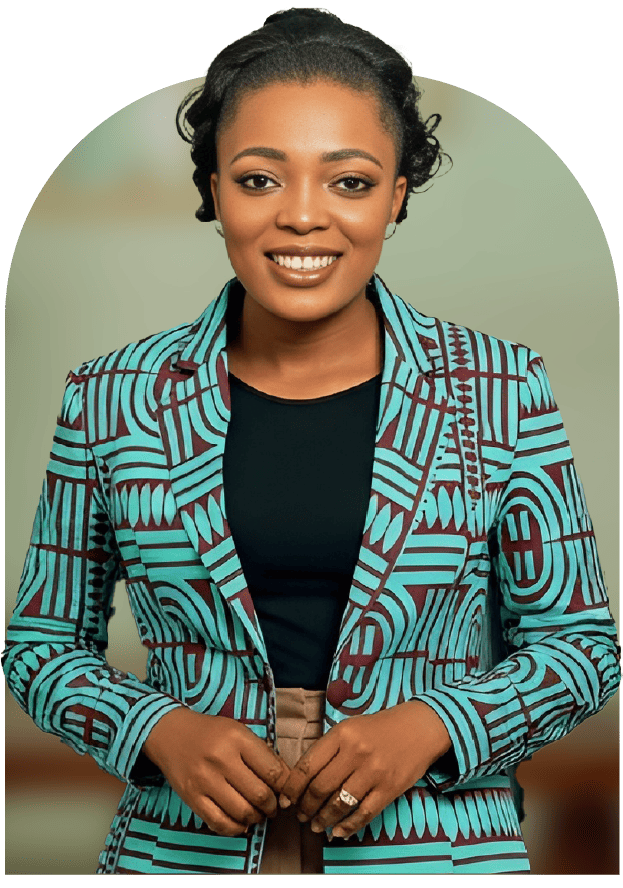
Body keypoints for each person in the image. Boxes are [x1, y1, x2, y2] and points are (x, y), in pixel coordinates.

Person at [3, 7, 621, 876]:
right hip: (182, 851)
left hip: (438, 850)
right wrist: (158, 730)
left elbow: (580, 645)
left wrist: (434, 725)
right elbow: (40, 643)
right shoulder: (112, 397)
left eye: (349, 181)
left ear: (398, 193)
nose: (301, 218)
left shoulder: (502, 388)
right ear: (213, 189)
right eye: (259, 180)